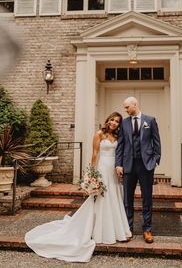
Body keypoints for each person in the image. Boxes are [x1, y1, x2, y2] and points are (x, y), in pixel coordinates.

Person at [25, 112, 131, 263]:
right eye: (112, 120)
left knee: (114, 197)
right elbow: (95, 154)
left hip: (113, 170)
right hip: (102, 168)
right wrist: (92, 174)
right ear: (108, 120)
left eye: (117, 122)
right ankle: (99, 232)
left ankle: (116, 230)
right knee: (101, 199)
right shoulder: (99, 134)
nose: (114, 123)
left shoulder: (118, 136)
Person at [115, 97, 161, 244]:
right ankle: (128, 228)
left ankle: (147, 229)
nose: (125, 110)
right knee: (127, 199)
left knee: (147, 198)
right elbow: (120, 145)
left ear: (135, 105)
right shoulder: (124, 123)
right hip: (128, 165)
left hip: (146, 165)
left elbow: (157, 142)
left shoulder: (150, 120)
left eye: (127, 107)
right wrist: (118, 164)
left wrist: (155, 160)